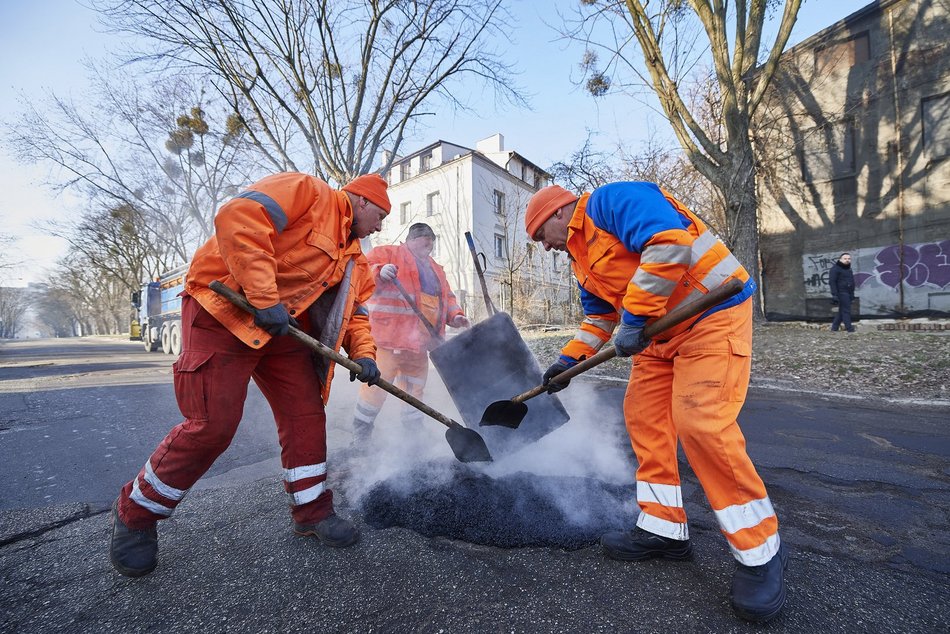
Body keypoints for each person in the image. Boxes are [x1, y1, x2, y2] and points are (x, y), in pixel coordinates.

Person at [524, 183, 787, 624]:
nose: (544, 247)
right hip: (657, 337)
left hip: (709, 316)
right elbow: (599, 318)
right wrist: (567, 360)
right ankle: (664, 528)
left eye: (539, 235)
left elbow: (669, 243)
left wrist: (635, 316)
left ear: (556, 212)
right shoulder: (581, 259)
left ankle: (761, 551)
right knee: (643, 418)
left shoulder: (612, 201)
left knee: (701, 422)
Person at [109, 172, 391, 578]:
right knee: (213, 425)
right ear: (362, 202)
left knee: (306, 414)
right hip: (223, 309)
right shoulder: (308, 192)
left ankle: (311, 510)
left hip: (282, 326)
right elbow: (239, 217)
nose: (380, 226)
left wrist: (364, 355)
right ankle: (135, 514)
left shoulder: (355, 260)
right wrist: (263, 295)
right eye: (380, 215)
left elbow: (356, 315)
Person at [351, 222, 469, 441]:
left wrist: (456, 316)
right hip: (388, 340)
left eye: (431, 244)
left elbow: (447, 299)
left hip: (420, 345)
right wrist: (378, 271)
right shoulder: (388, 253)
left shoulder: (436, 269)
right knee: (375, 387)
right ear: (412, 239)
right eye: (425, 243)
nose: (429, 248)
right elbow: (361, 272)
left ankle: (413, 433)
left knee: (414, 391)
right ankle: (361, 432)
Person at [829, 253, 856, 332]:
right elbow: (832, 282)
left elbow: (851, 282)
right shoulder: (835, 269)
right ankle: (850, 329)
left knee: (841, 312)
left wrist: (852, 294)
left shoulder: (848, 269)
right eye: (845, 258)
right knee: (846, 311)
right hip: (841, 292)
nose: (847, 260)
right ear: (840, 259)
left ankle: (834, 328)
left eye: (849, 258)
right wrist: (834, 294)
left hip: (848, 293)